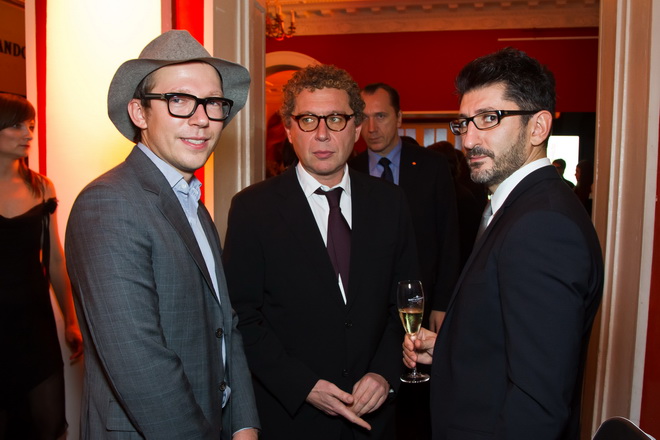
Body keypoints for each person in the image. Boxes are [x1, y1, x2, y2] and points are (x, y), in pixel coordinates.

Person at [64, 31, 259, 439]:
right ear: (139, 112)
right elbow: (140, 364)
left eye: (213, 103)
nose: (202, 119)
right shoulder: (109, 203)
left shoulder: (192, 203)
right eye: (179, 100)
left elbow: (227, 325)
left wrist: (243, 424)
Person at [403, 48, 604, 440]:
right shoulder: (519, 206)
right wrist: (449, 348)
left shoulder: (543, 226)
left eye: (489, 118)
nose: (468, 139)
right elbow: (509, 339)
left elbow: (537, 403)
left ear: (538, 127)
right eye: (464, 123)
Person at [223, 65, 420, 440]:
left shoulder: (390, 203)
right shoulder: (253, 209)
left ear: (356, 128)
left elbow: (405, 299)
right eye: (309, 119)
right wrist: (304, 385)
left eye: (336, 119)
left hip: (374, 419)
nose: (323, 133)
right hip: (292, 418)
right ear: (290, 129)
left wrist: (384, 373)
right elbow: (241, 316)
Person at [0, 92, 83, 439]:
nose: (28, 134)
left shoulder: (42, 187)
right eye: (17, 126)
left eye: (30, 126)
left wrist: (72, 321)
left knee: (48, 424)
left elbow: (56, 259)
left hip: (34, 321)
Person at [349, 83, 460, 332]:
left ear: (398, 118)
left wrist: (443, 303)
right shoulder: (350, 170)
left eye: (380, 116)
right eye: (364, 118)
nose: (371, 128)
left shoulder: (432, 166)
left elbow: (449, 239)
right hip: (367, 306)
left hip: (422, 300)